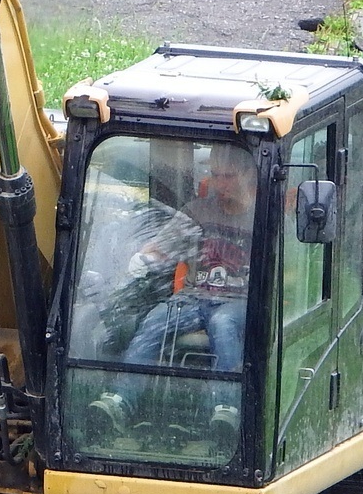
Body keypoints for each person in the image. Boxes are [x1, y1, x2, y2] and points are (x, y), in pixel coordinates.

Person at [90, 151, 255, 434]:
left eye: (228, 176)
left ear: (249, 175)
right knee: (156, 319)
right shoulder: (198, 211)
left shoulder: (261, 217)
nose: (220, 184)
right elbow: (161, 247)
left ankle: (227, 407)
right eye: (215, 175)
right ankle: (121, 401)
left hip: (239, 301)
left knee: (222, 323)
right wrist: (141, 260)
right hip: (194, 297)